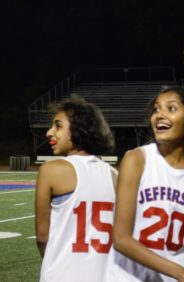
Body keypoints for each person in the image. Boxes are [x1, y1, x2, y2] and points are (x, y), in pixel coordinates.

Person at [107, 86, 184, 282]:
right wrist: (180, 272)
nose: (159, 115)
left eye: (171, 109)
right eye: (156, 109)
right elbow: (121, 239)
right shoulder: (136, 159)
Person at [35, 96, 117, 282]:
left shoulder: (51, 170)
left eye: (58, 126)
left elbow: (42, 237)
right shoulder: (115, 175)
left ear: (79, 128)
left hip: (62, 273)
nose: (49, 132)